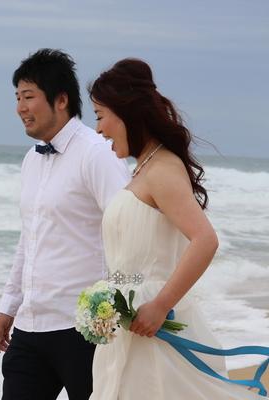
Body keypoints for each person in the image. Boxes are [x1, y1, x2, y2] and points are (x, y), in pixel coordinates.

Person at [88, 58, 265, 399]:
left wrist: (159, 305)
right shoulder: (143, 169)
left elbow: (205, 240)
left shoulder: (163, 169)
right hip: (131, 327)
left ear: (127, 113)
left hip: (155, 325)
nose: (98, 129)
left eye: (100, 116)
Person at [0, 49, 130, 400]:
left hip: (85, 329)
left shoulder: (96, 154)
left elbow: (128, 232)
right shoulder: (31, 160)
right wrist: (10, 304)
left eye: (29, 96)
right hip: (31, 325)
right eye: (17, 97)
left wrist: (121, 308)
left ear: (61, 99)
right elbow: (30, 237)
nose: (20, 107)